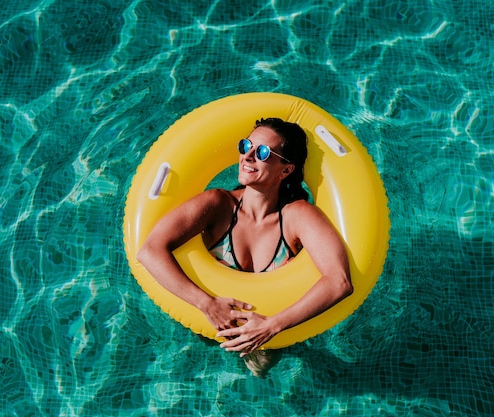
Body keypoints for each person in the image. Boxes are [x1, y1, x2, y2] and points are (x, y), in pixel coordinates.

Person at [137, 117, 352, 376]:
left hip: (271, 332)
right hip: (206, 321)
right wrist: (206, 304)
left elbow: (339, 281)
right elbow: (149, 250)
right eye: (246, 145)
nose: (247, 156)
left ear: (286, 170)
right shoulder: (218, 205)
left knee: (262, 371)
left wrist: (272, 326)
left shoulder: (297, 216)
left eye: (262, 152)